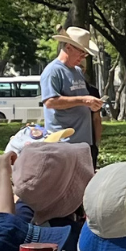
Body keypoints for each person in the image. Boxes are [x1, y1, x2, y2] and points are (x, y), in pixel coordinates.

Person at [38, 28, 101, 163]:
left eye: (85, 54)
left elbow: (81, 100)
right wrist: (83, 100)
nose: (83, 57)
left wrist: (92, 105)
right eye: (81, 52)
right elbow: (50, 102)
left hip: (83, 143)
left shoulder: (77, 71)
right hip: (63, 144)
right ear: (68, 47)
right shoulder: (52, 71)